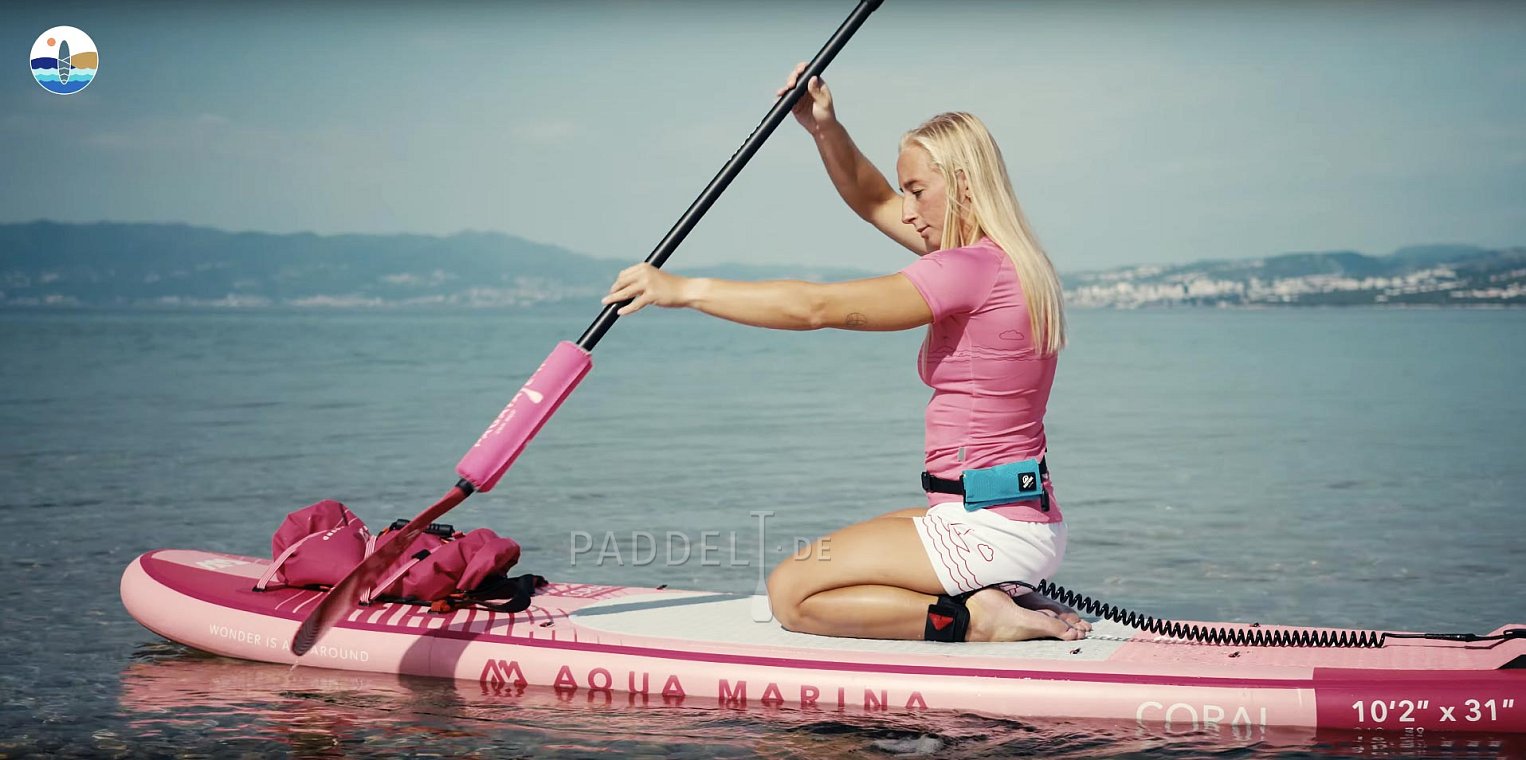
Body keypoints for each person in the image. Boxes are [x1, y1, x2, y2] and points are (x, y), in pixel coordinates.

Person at [602, 64, 1089, 643]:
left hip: (991, 531)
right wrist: (823, 128)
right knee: (844, 549)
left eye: (918, 191)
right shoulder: (1008, 259)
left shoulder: (968, 269)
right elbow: (873, 198)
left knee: (792, 593)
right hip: (1011, 520)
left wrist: (683, 290)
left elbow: (817, 308)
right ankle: (1002, 590)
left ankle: (978, 619)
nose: (907, 211)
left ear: (961, 185)